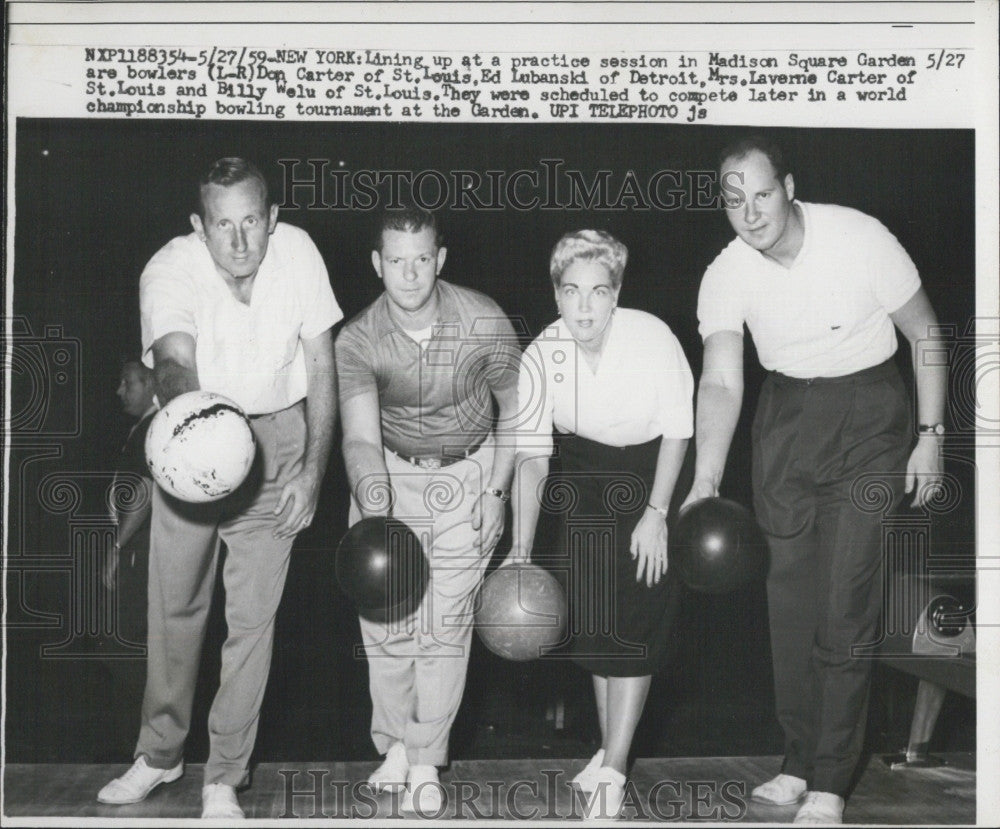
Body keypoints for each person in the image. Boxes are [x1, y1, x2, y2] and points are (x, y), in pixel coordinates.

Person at [683, 136, 947, 824]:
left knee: (846, 601)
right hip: (786, 420)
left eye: (762, 193)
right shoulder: (725, 271)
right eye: (734, 199)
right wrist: (705, 479)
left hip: (869, 418)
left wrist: (930, 434)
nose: (749, 211)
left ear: (789, 186)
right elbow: (718, 379)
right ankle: (798, 759)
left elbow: (924, 333)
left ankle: (831, 776)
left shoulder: (861, 238)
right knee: (791, 606)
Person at [97, 158, 342, 819]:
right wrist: (197, 430)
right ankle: (160, 752)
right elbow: (174, 363)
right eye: (223, 226)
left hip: (278, 439)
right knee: (175, 609)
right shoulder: (170, 267)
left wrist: (314, 471)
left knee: (252, 622)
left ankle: (224, 776)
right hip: (194, 429)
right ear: (198, 227)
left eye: (252, 222)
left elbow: (322, 365)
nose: (239, 242)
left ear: (273, 219)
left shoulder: (299, 254)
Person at [335, 205, 519, 814]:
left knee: (444, 623)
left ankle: (424, 760)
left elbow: (518, 411)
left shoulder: (484, 318)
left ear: (440, 259)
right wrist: (377, 509)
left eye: (421, 260)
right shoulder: (357, 338)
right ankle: (393, 745)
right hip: (390, 475)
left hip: (469, 474)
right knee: (387, 625)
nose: (409, 274)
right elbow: (360, 439)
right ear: (376, 263)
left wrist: (496, 491)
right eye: (395, 260)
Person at [507, 229, 693, 820]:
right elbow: (534, 457)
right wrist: (519, 550)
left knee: (635, 620)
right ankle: (607, 747)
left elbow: (679, 431)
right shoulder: (541, 353)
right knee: (593, 623)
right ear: (556, 294)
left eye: (598, 292)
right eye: (571, 291)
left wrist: (657, 514)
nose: (584, 306)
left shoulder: (653, 338)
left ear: (616, 294)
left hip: (652, 476)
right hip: (586, 474)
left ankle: (615, 766)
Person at [100, 358, 157, 752]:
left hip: (140, 553)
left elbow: (144, 491)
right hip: (138, 551)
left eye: (127, 382)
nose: (120, 391)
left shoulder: (153, 426)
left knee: (125, 649)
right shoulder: (142, 429)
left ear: (152, 382)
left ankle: (139, 749)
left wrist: (116, 548)